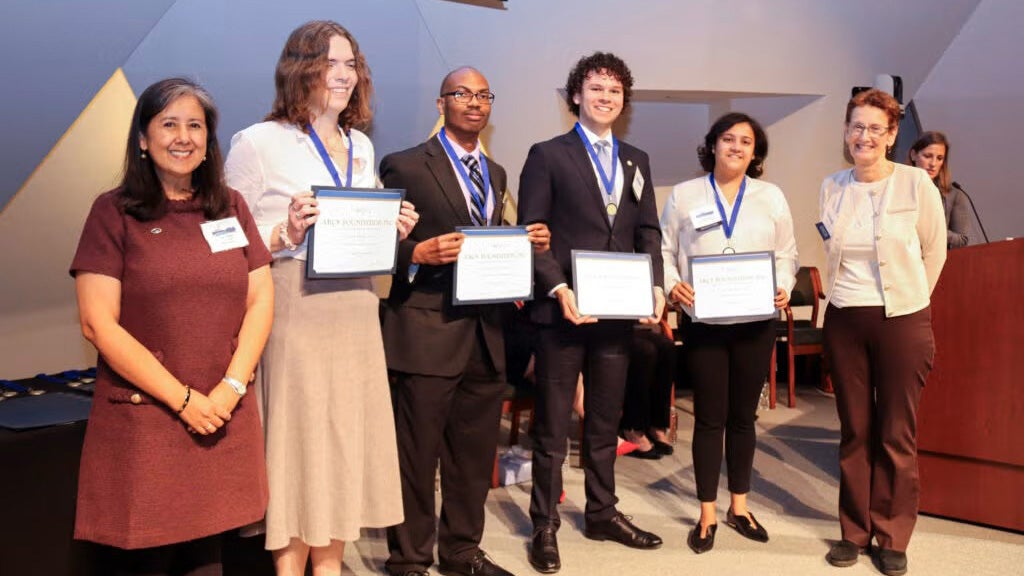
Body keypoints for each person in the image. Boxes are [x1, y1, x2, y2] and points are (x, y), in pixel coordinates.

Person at [223, 21, 418, 576]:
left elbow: (362, 230)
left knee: (341, 451)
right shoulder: (256, 143)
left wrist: (394, 225)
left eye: (350, 64)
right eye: (330, 63)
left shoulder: (361, 145)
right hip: (296, 311)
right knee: (302, 452)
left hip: (356, 311)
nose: (342, 75)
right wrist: (285, 232)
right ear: (298, 68)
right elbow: (230, 252)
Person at [71, 77, 273, 575]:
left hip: (221, 419)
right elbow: (99, 324)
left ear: (208, 141)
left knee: (208, 562)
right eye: (169, 124)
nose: (183, 137)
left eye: (195, 126)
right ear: (143, 138)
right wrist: (183, 400)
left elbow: (262, 298)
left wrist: (229, 387)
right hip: (147, 425)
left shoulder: (230, 207)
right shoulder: (113, 212)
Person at [380, 66, 549, 576]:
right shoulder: (405, 165)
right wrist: (417, 253)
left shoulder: (496, 174)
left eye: (483, 95)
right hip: (425, 331)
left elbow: (484, 242)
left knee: (473, 459)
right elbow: (378, 243)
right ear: (441, 103)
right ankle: (408, 559)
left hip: (485, 335)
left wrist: (524, 241)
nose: (474, 102)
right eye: (462, 94)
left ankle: (460, 552)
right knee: (417, 457)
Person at [518, 52, 665, 574]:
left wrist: (655, 284)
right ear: (576, 95)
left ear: (624, 102)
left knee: (605, 421)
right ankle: (545, 523)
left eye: (615, 91)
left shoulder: (636, 159)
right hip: (563, 312)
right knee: (554, 426)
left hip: (618, 312)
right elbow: (534, 231)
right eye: (596, 88)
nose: (605, 97)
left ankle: (602, 512)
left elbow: (647, 229)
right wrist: (557, 286)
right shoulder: (547, 154)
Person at [819, 89, 946, 576]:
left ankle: (892, 534)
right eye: (856, 126)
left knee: (896, 433)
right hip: (845, 319)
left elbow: (934, 252)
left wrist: (912, 302)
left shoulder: (917, 184)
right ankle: (853, 530)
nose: (864, 136)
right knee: (855, 431)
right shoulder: (832, 185)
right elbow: (829, 248)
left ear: (892, 135)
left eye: (875, 128)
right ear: (846, 132)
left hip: (903, 320)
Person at [660, 112, 798, 554]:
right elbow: (663, 250)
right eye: (728, 139)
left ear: (755, 152)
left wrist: (784, 285)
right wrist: (671, 284)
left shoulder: (771, 196)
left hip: (756, 322)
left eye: (746, 141)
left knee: (743, 418)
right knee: (710, 418)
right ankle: (707, 513)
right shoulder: (683, 195)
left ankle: (740, 506)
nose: (736, 147)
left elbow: (787, 253)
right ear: (712, 145)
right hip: (704, 323)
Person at [619, 324, 677, 460]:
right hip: (601, 328)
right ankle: (632, 428)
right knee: (644, 351)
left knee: (666, 347)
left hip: (627, 324)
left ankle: (656, 424)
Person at [908, 131, 971, 248]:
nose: (933, 163)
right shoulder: (897, 188)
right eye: (927, 156)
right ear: (913, 155)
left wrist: (931, 230)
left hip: (938, 261)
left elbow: (962, 240)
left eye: (939, 158)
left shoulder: (954, 194)